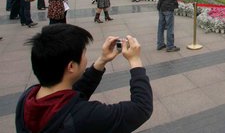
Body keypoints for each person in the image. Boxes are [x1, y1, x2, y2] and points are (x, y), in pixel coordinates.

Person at [15, 24, 153, 132]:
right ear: (71, 67)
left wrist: (102, 60)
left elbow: (73, 93)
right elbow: (141, 109)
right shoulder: (85, 117)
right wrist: (135, 61)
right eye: (84, 54)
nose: (86, 58)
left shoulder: (28, 98)